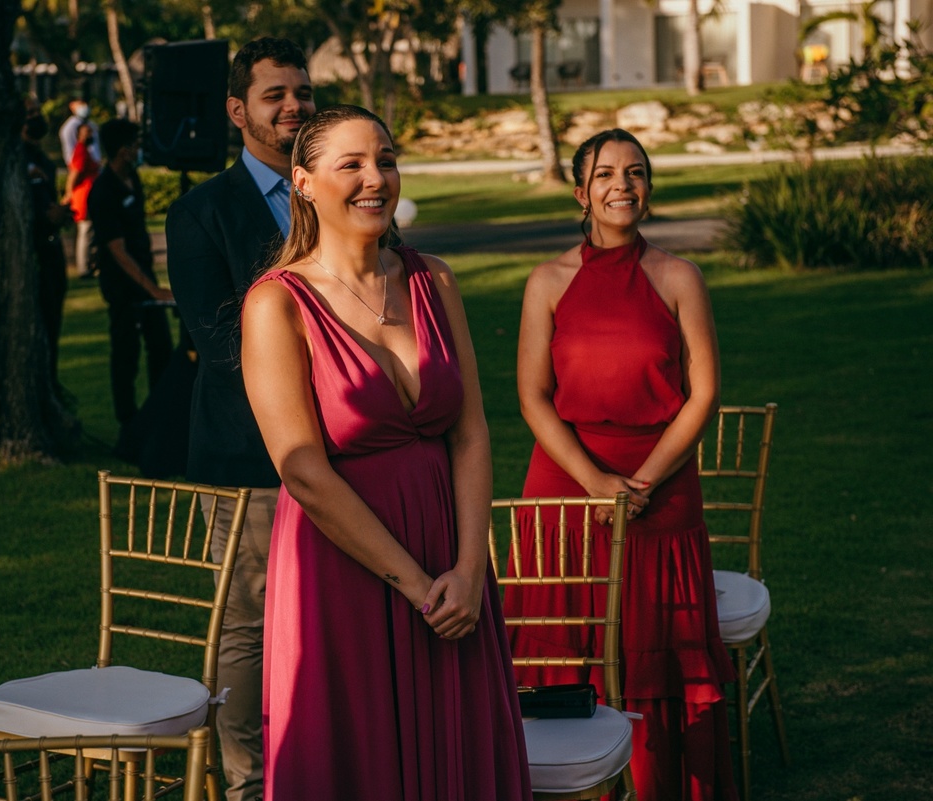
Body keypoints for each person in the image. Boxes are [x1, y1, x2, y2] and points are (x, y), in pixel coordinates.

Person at [240, 104, 531, 801]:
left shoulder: (435, 281)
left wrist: (468, 570)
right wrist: (416, 585)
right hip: (345, 567)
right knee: (360, 755)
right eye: (352, 165)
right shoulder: (276, 304)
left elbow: (471, 432)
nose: (376, 178)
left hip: (451, 558)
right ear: (304, 183)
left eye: (387, 160)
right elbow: (304, 470)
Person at [503, 128, 737, 801]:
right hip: (566, 486)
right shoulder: (547, 282)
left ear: (649, 188)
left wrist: (641, 483)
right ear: (581, 192)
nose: (622, 185)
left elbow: (704, 393)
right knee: (561, 645)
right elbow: (532, 395)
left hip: (661, 486)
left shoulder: (680, 277)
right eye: (605, 174)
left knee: (656, 650)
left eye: (635, 172)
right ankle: (567, 780)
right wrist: (596, 483)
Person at [164, 37, 314, 801]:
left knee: (329, 615)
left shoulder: (334, 188)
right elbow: (221, 341)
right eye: (274, 94)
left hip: (349, 450)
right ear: (236, 110)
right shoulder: (200, 211)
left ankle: (322, 759)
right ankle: (248, 779)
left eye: (302, 92)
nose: (293, 106)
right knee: (247, 623)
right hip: (246, 455)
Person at [88, 118, 173, 461]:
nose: (139, 150)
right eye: (135, 145)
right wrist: (151, 289)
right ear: (123, 150)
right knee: (125, 354)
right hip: (122, 286)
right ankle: (128, 423)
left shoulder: (132, 180)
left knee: (161, 347)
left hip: (144, 274)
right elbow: (116, 249)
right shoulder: (103, 191)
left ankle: (161, 416)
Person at [21, 97, 69, 389]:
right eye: (30, 113)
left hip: (52, 250)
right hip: (32, 252)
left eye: (37, 111)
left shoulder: (44, 161)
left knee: (52, 323)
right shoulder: (17, 159)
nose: (36, 117)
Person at [63, 121, 100, 278]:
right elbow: (74, 174)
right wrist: (69, 194)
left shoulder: (85, 151)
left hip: (89, 196)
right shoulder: (80, 151)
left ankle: (90, 264)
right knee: (86, 232)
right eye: (86, 133)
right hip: (84, 198)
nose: (90, 135)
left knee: (90, 233)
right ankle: (84, 268)